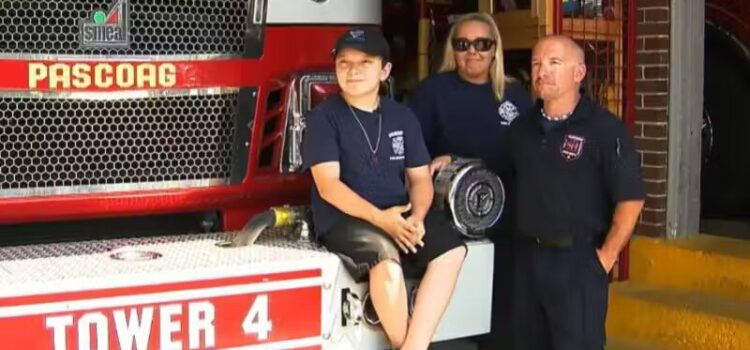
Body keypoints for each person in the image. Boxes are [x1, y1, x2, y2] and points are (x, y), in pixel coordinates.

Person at [301, 28, 467, 350]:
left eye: (365, 61)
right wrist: (382, 220)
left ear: (385, 70)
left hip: (398, 209)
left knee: (451, 250)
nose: (353, 70)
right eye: (344, 62)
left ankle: (413, 346)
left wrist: (417, 217)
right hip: (343, 218)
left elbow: (419, 179)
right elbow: (328, 186)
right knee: (385, 260)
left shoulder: (401, 116)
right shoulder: (323, 118)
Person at [502, 35, 646, 349]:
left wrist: (604, 258)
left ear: (578, 73)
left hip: (578, 262)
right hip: (527, 260)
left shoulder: (605, 129)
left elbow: (631, 199)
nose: (543, 71)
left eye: (555, 62)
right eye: (537, 63)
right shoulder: (521, 130)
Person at [407, 12, 533, 348]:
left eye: (482, 44)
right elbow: (411, 150)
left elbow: (528, 154)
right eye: (463, 44)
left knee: (504, 307)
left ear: (495, 49)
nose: (473, 51)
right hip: (450, 217)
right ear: (453, 49)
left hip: (506, 217)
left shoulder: (515, 95)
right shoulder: (434, 91)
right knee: (456, 312)